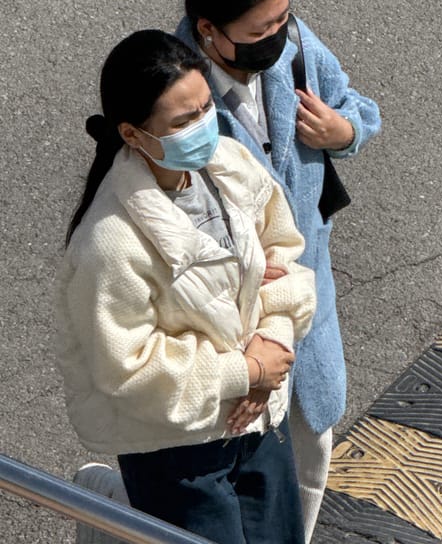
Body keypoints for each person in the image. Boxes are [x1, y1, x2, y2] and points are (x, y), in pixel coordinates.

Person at [57, 29, 316, 544]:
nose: (203, 128)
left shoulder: (231, 167)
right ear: (132, 134)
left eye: (204, 109)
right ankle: (114, 502)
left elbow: (284, 255)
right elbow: (126, 368)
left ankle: (120, 507)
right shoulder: (109, 245)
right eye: (182, 121)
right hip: (174, 446)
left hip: (259, 413)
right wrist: (244, 369)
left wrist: (273, 342)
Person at [174, 0, 381, 540]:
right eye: (259, 31)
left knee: (311, 442)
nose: (277, 38)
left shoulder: (297, 49)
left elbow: (357, 109)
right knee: (226, 467)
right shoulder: (178, 92)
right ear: (209, 30)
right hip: (229, 318)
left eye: (283, 20)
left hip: (305, 300)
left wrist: (343, 134)